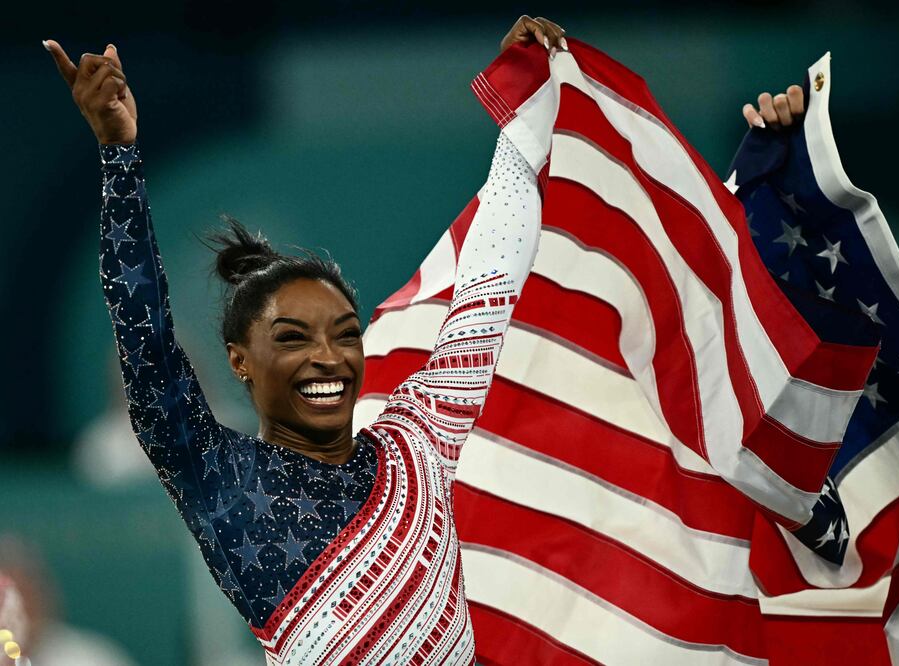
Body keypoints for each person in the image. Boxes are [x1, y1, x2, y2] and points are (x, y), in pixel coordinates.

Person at [44, 15, 565, 665]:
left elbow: (491, 275)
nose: (327, 356)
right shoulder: (219, 474)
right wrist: (118, 155)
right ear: (239, 361)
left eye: (344, 334)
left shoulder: (418, 440)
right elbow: (142, 333)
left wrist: (527, 105)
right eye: (293, 338)